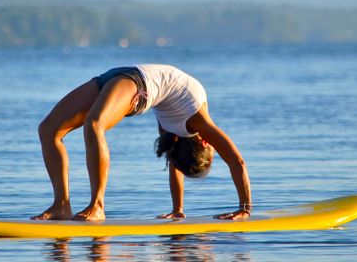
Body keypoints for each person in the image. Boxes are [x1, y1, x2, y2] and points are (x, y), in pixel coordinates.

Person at [31, 64, 252, 221]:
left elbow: (177, 160)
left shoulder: (179, 131)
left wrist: (178, 210)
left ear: (204, 145)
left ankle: (97, 205)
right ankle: (62, 205)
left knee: (94, 125)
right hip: (126, 76)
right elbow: (237, 162)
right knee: (48, 129)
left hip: (134, 84)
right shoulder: (199, 122)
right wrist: (245, 208)